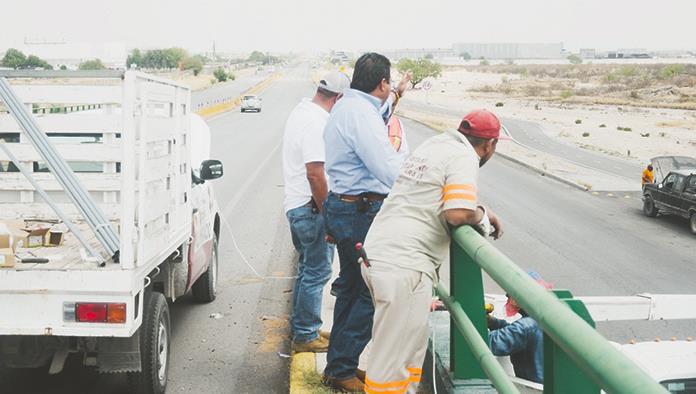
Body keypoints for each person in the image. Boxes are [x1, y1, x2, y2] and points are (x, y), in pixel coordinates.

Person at [360, 110, 505, 394]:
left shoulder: (435, 145)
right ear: (490, 145)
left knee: (406, 355)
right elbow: (457, 213)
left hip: (379, 253)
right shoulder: (465, 157)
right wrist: (482, 214)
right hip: (405, 266)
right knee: (390, 368)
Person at [322, 53, 410, 392]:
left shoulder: (350, 106)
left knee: (351, 288)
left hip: (348, 209)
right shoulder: (360, 114)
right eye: (390, 85)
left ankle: (338, 365)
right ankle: (342, 367)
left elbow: (380, 116)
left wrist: (398, 95)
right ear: (382, 83)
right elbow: (388, 169)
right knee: (369, 293)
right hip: (359, 212)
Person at [282, 71, 351, 353]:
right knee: (317, 272)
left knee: (307, 270)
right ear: (340, 98)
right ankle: (305, 335)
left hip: (299, 207)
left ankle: (302, 328)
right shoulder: (316, 122)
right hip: (312, 210)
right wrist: (330, 214)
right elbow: (315, 174)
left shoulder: (302, 112)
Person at [488, 272, 552, 384]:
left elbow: (492, 343)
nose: (507, 296)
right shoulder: (546, 318)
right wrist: (493, 323)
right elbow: (516, 333)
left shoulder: (526, 326)